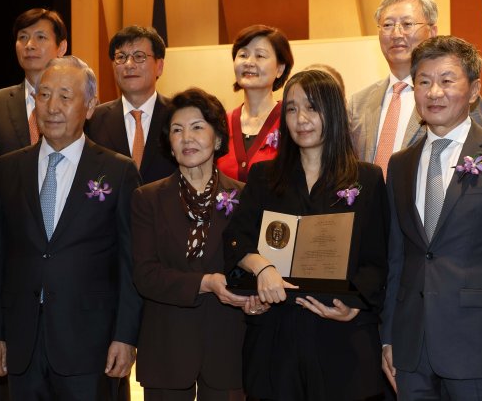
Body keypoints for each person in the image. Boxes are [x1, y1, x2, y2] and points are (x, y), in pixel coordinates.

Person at [382, 36, 482, 400]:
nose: (434, 92)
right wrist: (389, 335)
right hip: (411, 348)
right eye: (423, 81)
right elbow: (397, 258)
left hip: (478, 348)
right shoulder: (400, 163)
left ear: (473, 91)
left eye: (447, 80)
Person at [0, 56, 142, 399]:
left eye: (65, 97)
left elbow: (130, 264)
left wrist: (126, 337)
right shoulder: (7, 169)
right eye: (43, 95)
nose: (52, 107)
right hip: (20, 342)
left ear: (91, 105)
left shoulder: (117, 171)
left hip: (89, 342)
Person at [223, 70, 389, 400]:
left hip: (340, 338)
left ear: (335, 113)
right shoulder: (265, 176)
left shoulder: (366, 179)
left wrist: (354, 307)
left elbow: (378, 260)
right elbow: (236, 238)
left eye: (312, 107)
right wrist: (263, 268)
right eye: (292, 109)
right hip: (275, 335)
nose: (301, 119)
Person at [131, 88, 247, 400]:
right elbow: (145, 275)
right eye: (177, 130)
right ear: (169, 144)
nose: (187, 138)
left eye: (197, 127)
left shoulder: (244, 197)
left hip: (228, 348)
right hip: (167, 347)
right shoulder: (148, 199)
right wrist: (205, 283)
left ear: (218, 138)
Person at [348, 0, 482, 178]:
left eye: (407, 24)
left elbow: (479, 163)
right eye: (387, 25)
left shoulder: (457, 96)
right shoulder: (358, 103)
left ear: (432, 31)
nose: (396, 34)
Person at [86, 25, 176, 184]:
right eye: (121, 57)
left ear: (159, 66)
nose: (129, 64)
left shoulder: (177, 115)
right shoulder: (93, 119)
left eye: (139, 56)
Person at [0, 8, 68, 155]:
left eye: (40, 37)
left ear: (61, 47)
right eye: (23, 37)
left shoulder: (78, 100)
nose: (29, 45)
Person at [216, 24, 293, 181]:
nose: (249, 62)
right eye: (243, 55)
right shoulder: (221, 123)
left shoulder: (291, 121)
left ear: (280, 69)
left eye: (260, 56)